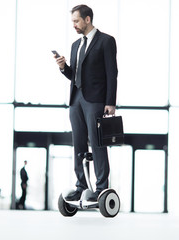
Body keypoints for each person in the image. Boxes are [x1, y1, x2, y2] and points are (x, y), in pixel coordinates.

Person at [54, 5, 118, 202]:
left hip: (96, 101)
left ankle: (100, 187)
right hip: (76, 100)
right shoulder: (75, 45)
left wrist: (110, 102)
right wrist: (64, 68)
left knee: (98, 143)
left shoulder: (106, 41)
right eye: (72, 21)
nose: (74, 25)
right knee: (79, 144)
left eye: (76, 21)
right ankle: (81, 185)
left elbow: (112, 72)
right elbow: (75, 76)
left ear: (87, 19)